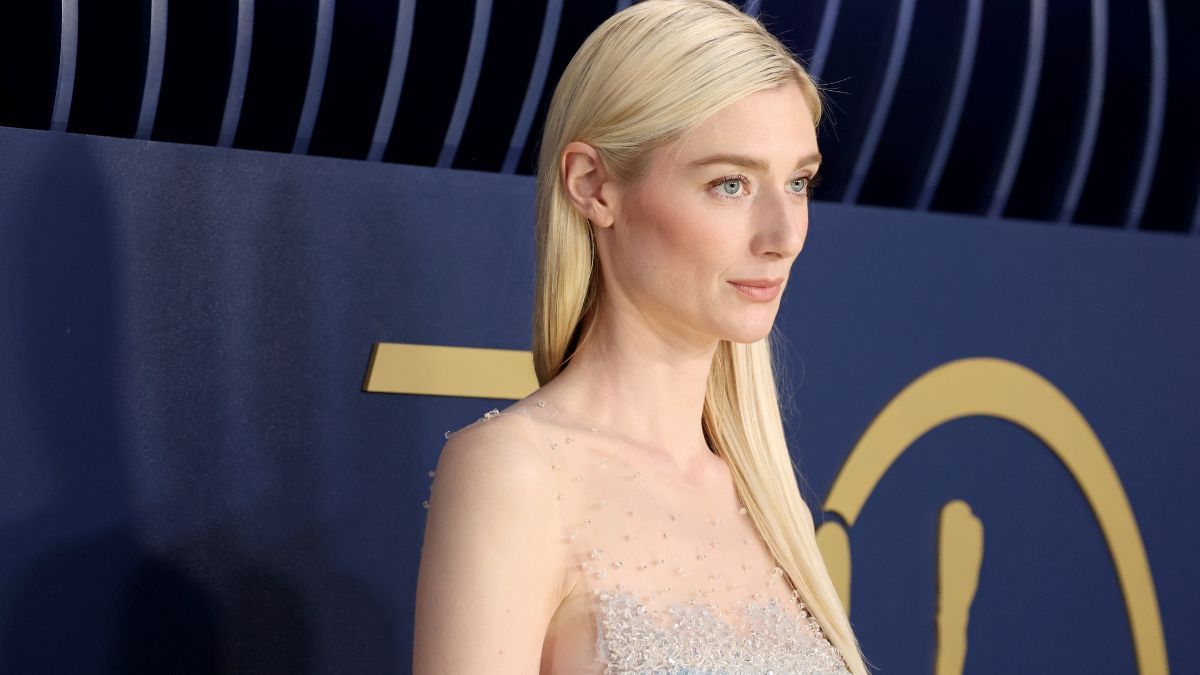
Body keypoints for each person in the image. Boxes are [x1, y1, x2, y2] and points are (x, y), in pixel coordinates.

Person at [413, 1, 869, 672]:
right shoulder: (518, 475)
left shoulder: (775, 509)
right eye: (730, 183)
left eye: (798, 182)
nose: (783, 236)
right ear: (593, 185)